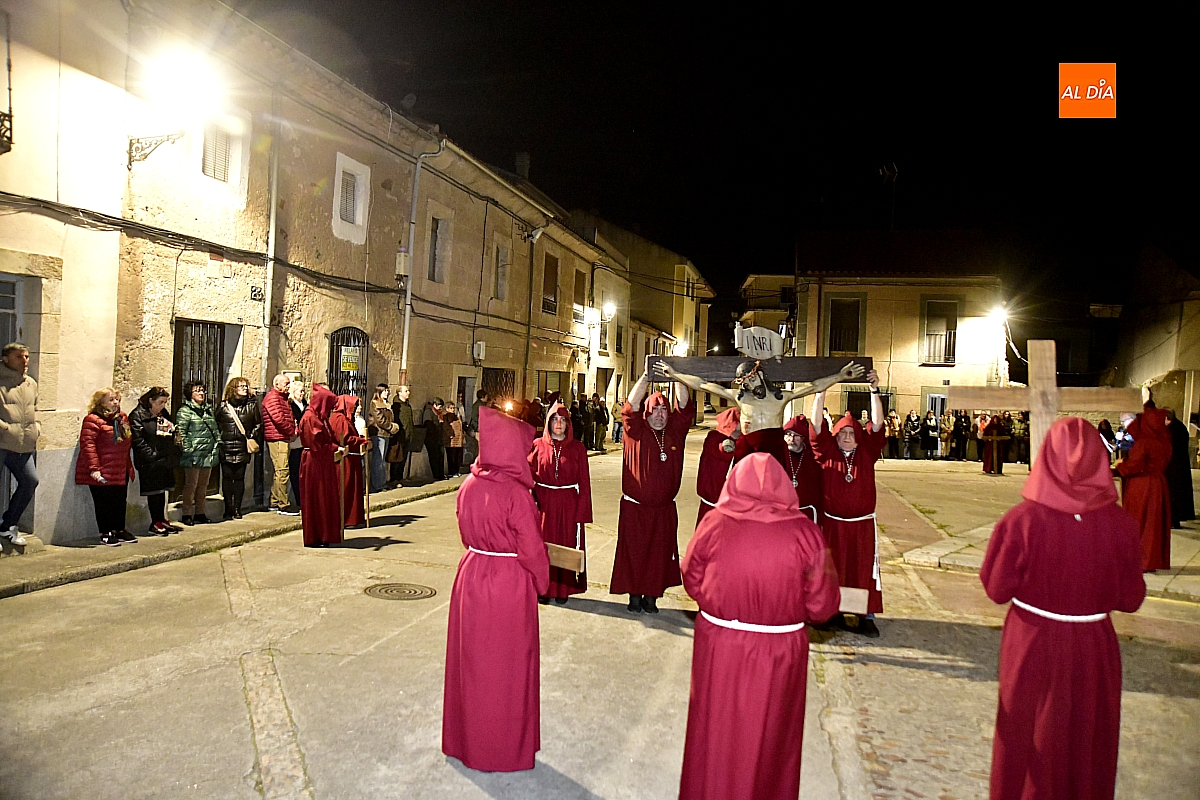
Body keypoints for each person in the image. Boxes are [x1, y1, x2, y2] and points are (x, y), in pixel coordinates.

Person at [980, 417, 1145, 800]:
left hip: (1032, 644)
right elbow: (1131, 599)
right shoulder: (1121, 524)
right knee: (1085, 739)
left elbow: (996, 588)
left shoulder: (1021, 521)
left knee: (1028, 737)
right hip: (1093, 647)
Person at [679, 453, 840, 800]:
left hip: (720, 644)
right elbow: (823, 605)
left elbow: (691, 575)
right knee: (769, 736)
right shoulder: (805, 532)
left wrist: (720, 601)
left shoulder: (713, 522)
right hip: (778, 653)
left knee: (715, 729)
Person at [442, 406, 550, 772]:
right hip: (508, 582)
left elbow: (464, 533)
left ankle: (467, 741)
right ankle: (499, 747)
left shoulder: (468, 486)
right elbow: (532, 548)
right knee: (505, 668)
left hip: (471, 575)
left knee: (472, 665)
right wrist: (541, 581)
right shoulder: (516, 494)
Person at [812, 369, 886, 637]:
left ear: (858, 436)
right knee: (835, 570)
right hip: (833, 524)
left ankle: (864, 616)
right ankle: (836, 612)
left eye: (851, 433)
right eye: (842, 432)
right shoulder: (827, 453)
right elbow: (816, 426)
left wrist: (874, 391)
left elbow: (877, 425)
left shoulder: (867, 453)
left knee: (861, 569)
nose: (846, 437)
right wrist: (820, 391)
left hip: (861, 526)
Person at [611, 369, 691, 614]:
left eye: (664, 409)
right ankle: (634, 596)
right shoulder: (636, 430)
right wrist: (646, 376)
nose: (660, 414)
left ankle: (651, 597)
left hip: (663, 511)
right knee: (634, 554)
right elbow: (630, 406)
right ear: (647, 412)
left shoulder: (675, 431)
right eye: (655, 409)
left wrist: (677, 375)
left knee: (659, 556)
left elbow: (684, 405)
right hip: (635, 509)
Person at [661, 359, 863, 435]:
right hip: (748, 450)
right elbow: (702, 384)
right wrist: (674, 374)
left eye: (752, 379)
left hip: (772, 451)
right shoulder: (741, 398)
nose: (750, 385)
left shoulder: (781, 397)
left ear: (760, 375)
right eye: (746, 383)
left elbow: (814, 386)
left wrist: (840, 376)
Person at [529, 401, 592, 604]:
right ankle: (544, 588)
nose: (558, 424)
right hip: (544, 504)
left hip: (568, 503)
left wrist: (582, 512)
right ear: (548, 422)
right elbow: (527, 475)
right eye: (555, 419)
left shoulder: (577, 448)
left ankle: (563, 589)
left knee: (566, 543)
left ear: (568, 424)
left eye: (563, 420)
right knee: (543, 545)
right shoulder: (537, 445)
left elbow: (584, 482)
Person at [1115, 403, 1172, 572]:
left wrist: (1120, 466)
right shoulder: (1165, 441)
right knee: (1153, 525)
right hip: (1158, 484)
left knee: (1138, 523)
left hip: (1142, 485)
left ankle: (1140, 561)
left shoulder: (1144, 442)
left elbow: (1134, 466)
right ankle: (1151, 560)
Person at [76, 388, 136, 546]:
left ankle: (119, 529)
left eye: (117, 399)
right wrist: (94, 468)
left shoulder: (121, 418)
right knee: (104, 502)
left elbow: (127, 441)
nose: (115, 402)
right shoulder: (92, 420)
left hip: (119, 467)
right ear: (100, 402)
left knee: (120, 500)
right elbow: (88, 445)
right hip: (102, 468)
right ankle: (106, 532)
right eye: (111, 399)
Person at [0, 342, 39, 546]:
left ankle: (8, 525)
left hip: (23, 443)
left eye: (26, 357)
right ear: (6, 359)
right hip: (2, 440)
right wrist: (6, 429)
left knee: (30, 481)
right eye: (19, 357)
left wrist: (36, 428)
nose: (24, 361)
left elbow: (34, 409)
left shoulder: (30, 383)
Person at [129, 387, 181, 535]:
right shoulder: (138, 415)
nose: (163, 406)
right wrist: (152, 455)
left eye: (165, 402)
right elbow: (138, 440)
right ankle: (155, 522)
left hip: (164, 458)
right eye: (160, 402)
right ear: (151, 400)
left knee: (162, 491)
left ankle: (162, 519)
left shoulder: (163, 414)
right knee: (153, 492)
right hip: (149, 461)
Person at [299, 384, 342, 547]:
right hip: (314, 462)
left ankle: (325, 534)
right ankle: (316, 535)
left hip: (323, 461)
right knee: (317, 498)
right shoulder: (310, 418)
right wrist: (335, 448)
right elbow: (316, 444)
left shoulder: (320, 417)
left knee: (325, 498)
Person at [215, 377, 262, 521]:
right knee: (227, 478)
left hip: (243, 447)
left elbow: (258, 424)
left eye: (246, 386)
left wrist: (251, 436)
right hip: (226, 447)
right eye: (241, 386)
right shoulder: (223, 406)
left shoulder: (251, 406)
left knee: (239, 478)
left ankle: (237, 508)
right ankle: (228, 508)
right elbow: (216, 423)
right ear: (233, 389)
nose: (244, 388)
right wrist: (220, 439)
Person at [176, 382, 219, 525]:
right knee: (191, 485)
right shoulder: (185, 411)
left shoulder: (208, 410)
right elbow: (181, 433)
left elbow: (214, 429)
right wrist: (188, 450)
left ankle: (200, 512)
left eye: (202, 391)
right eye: (197, 391)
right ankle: (186, 513)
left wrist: (216, 446)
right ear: (190, 394)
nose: (201, 393)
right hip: (193, 454)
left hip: (207, 453)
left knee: (203, 485)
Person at [695, 407, 740, 527]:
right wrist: (724, 448)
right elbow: (719, 451)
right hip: (712, 502)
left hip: (733, 505)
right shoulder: (714, 438)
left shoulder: (742, 441)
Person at [262, 374, 299, 515]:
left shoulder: (283, 399)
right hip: (277, 438)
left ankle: (275, 501)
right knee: (282, 471)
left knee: (280, 471)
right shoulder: (273, 398)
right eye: (286, 383)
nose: (288, 386)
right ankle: (283, 504)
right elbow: (279, 419)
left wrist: (294, 430)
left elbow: (290, 417)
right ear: (277, 384)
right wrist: (291, 432)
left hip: (283, 437)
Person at [331, 395, 370, 528]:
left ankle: (354, 518)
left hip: (352, 459)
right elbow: (345, 438)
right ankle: (346, 519)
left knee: (353, 489)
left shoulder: (346, 418)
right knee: (346, 489)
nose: (356, 408)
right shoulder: (340, 419)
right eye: (355, 405)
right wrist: (361, 440)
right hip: (346, 460)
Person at [1164, 409, 1195, 528]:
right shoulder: (1178, 427)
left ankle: (1174, 520)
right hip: (1178, 466)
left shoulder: (1174, 430)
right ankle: (1174, 519)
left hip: (1175, 467)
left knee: (1174, 495)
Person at [367, 383, 399, 493]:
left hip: (386, 434)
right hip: (378, 433)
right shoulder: (375, 403)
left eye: (388, 390)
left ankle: (382, 482)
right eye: (385, 391)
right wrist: (391, 427)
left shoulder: (387, 404)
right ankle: (377, 485)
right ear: (379, 392)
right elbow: (380, 420)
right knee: (378, 460)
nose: (387, 392)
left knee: (383, 460)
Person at [390, 384, 415, 486]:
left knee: (403, 459)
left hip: (407, 436)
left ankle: (400, 478)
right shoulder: (396, 406)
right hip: (399, 437)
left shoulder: (408, 406)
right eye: (406, 391)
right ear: (400, 393)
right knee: (396, 459)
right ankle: (394, 479)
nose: (408, 392)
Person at [287, 381, 306, 507]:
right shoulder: (290, 404)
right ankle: (298, 498)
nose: (302, 394)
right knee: (294, 470)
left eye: (304, 391)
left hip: (303, 441)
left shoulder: (305, 404)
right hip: (295, 440)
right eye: (300, 391)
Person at [422, 397, 447, 480]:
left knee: (441, 456)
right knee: (434, 457)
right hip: (431, 438)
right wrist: (438, 424)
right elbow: (428, 425)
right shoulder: (428, 412)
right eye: (439, 406)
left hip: (439, 438)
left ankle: (441, 474)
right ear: (435, 405)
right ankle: (436, 475)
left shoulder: (439, 413)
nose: (440, 408)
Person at [443, 401, 465, 476]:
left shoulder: (456, 416)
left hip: (458, 439)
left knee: (457, 456)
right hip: (451, 440)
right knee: (451, 457)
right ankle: (452, 472)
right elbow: (446, 427)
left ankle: (457, 470)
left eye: (453, 408)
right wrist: (451, 434)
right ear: (447, 408)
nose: (452, 410)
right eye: (451, 408)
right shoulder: (445, 416)